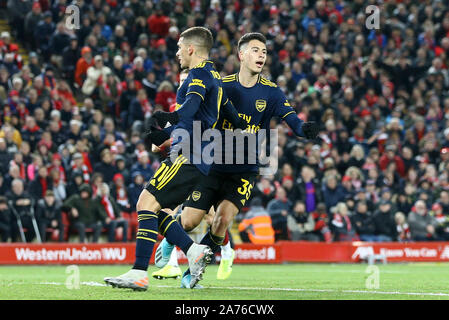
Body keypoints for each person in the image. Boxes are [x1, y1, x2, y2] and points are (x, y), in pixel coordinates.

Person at [152, 32, 319, 287]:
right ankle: (169, 239)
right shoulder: (222, 84)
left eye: (264, 51)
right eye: (255, 50)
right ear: (241, 55)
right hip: (213, 165)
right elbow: (197, 116)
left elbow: (291, 117)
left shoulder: (272, 92)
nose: (261, 54)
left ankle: (194, 271)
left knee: (222, 221)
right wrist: (170, 139)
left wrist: (303, 128)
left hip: (245, 169)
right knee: (188, 221)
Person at [104, 27, 239, 291]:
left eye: (179, 48)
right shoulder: (217, 78)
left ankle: (139, 272)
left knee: (146, 202)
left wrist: (168, 125)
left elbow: (189, 107)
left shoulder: (199, 74)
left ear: (191, 48)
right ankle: (192, 251)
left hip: (188, 155)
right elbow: (232, 119)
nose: (177, 53)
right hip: (199, 157)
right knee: (160, 209)